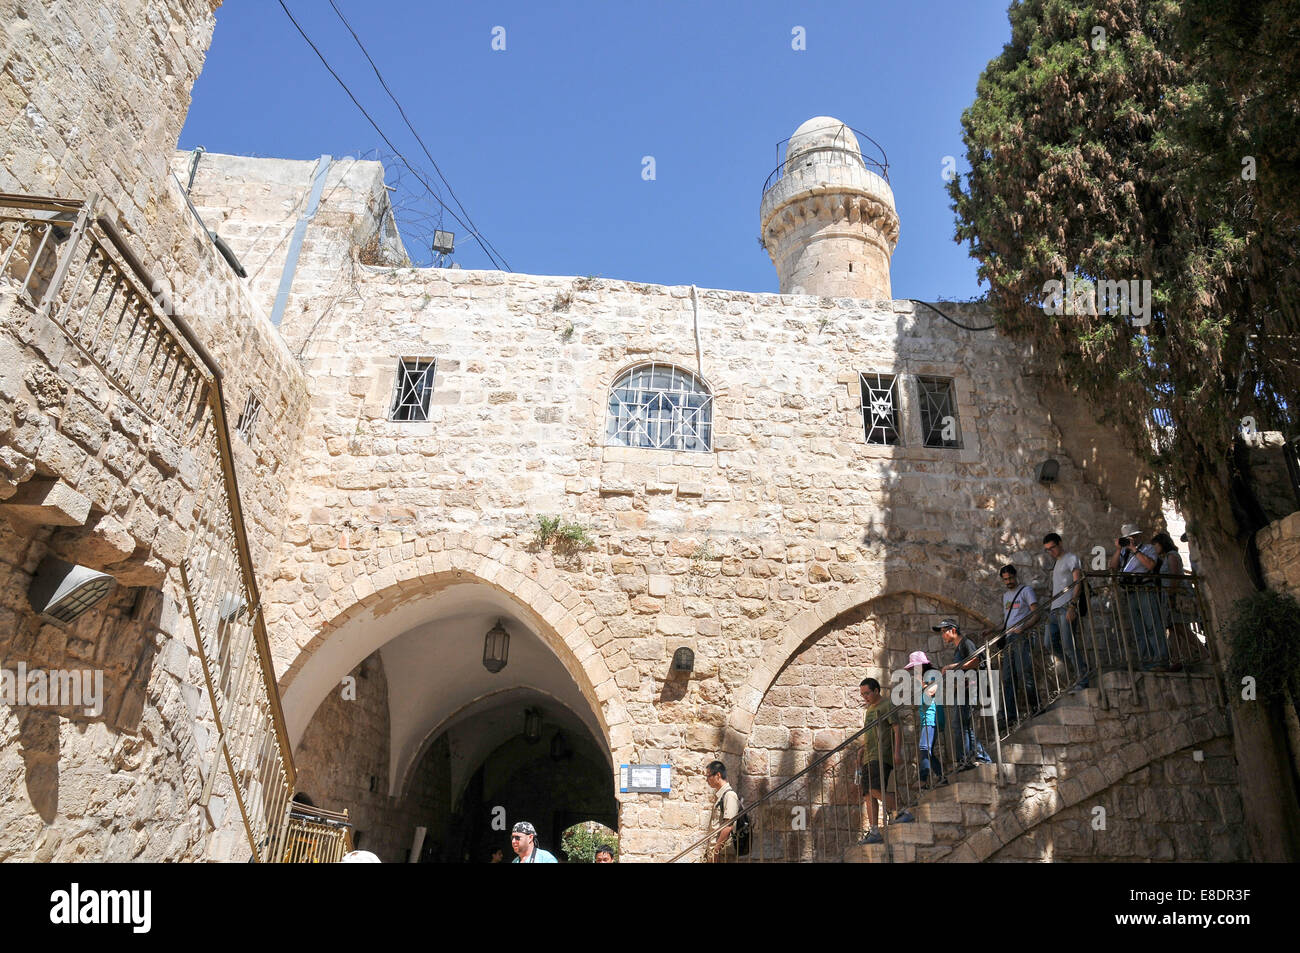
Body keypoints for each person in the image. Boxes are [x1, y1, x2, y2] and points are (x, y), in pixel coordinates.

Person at [856, 677, 914, 845]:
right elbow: (870, 734)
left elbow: (897, 730)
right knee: (867, 794)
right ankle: (874, 831)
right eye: (862, 694)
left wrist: (897, 752)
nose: (865, 697)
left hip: (882, 754)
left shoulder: (887, 705)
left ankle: (902, 811)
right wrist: (861, 751)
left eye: (867, 693)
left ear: (876, 691)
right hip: (869, 755)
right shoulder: (869, 710)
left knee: (875, 789)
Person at [1108, 522, 1168, 670]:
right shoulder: (1124, 552)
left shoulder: (1148, 548)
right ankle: (1146, 662)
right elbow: (1112, 567)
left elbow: (1150, 566)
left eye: (1131, 537)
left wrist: (1134, 549)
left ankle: (1161, 660)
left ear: (1136, 536)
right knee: (1138, 629)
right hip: (1130, 592)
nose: (1129, 540)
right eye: (1126, 538)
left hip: (1145, 589)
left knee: (1152, 625)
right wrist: (1118, 549)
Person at [937, 618, 993, 768]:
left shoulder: (966, 643)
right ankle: (969, 759)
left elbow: (976, 660)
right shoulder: (959, 647)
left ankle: (972, 758)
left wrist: (952, 666)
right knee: (962, 725)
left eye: (944, 632)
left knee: (962, 725)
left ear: (953, 630)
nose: (942, 635)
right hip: (962, 690)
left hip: (968, 690)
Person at [1043, 532, 1089, 691]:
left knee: (1069, 645)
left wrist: (1072, 605)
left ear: (1060, 543)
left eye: (1052, 547)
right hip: (1053, 610)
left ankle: (1082, 679)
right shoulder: (1056, 563)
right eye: (1047, 550)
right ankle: (1078, 670)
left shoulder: (1071, 558)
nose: (1051, 551)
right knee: (1048, 643)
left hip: (1065, 608)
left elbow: (1078, 581)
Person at [997, 565, 1040, 724]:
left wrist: (1023, 628)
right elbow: (1008, 620)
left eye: (1010, 578)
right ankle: (1010, 717)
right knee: (1008, 678)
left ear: (1016, 576)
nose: (1008, 582)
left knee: (1024, 672)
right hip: (1009, 639)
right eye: (1005, 579)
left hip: (1022, 637)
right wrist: (993, 630)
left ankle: (1036, 707)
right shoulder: (1006, 596)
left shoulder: (1026, 591)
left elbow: (1036, 613)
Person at [904, 651, 946, 789]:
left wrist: (921, 684)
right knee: (927, 750)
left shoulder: (932, 674)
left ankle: (923, 780)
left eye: (915, 667)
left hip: (931, 718)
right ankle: (941, 777)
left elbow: (930, 691)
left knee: (924, 748)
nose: (914, 671)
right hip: (926, 720)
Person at [1152, 531, 1190, 669]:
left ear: (1162, 544)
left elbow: (1175, 576)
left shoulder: (1172, 556)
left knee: (1179, 626)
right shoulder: (1166, 557)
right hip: (1168, 595)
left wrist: (1171, 595)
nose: (1155, 548)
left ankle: (1201, 652)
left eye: (1156, 545)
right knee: (1173, 628)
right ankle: (1175, 660)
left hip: (1173, 595)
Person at [704, 760, 740, 863]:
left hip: (721, 852)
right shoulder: (721, 796)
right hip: (715, 851)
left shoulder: (730, 795)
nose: (707, 780)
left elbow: (728, 826)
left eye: (708, 776)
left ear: (718, 775)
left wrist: (716, 850)